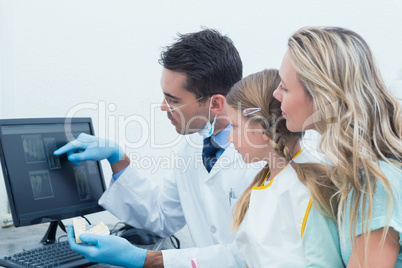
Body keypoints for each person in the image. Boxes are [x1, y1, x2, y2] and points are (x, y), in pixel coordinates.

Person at [55, 29, 261, 267]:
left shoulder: (262, 157)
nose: (163, 107)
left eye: (173, 100)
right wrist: (118, 159)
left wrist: (144, 259)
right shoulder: (194, 145)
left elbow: (249, 257)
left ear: (215, 103)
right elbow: (163, 216)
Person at [273, 26, 402, 267]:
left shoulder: (377, 184)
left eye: (285, 87)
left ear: (322, 96)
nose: (276, 94)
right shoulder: (343, 171)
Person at [225, 69, 344, 267]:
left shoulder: (307, 188)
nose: (230, 137)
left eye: (235, 126)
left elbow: (323, 263)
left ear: (262, 128)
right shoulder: (266, 179)